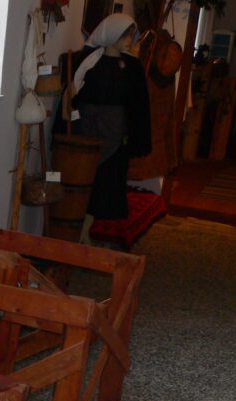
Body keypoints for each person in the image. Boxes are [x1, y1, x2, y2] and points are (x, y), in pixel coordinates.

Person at [69, 13, 152, 242]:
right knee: (81, 179)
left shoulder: (132, 67)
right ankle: (77, 228)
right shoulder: (88, 62)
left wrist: (135, 136)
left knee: (105, 184)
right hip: (86, 132)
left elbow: (139, 104)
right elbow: (73, 96)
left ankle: (88, 227)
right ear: (112, 34)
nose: (130, 40)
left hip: (115, 136)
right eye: (125, 35)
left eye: (131, 35)